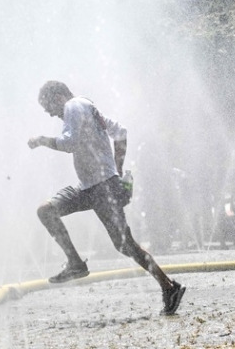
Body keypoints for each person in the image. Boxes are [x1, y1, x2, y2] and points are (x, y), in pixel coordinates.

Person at [28, 81, 185, 315]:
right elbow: (120, 132)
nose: (51, 113)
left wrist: (42, 140)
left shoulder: (72, 105)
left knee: (125, 245)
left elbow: (69, 143)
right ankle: (75, 264)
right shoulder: (88, 106)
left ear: (59, 96)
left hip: (101, 188)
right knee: (46, 210)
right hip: (90, 187)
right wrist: (117, 171)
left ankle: (169, 286)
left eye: (48, 107)